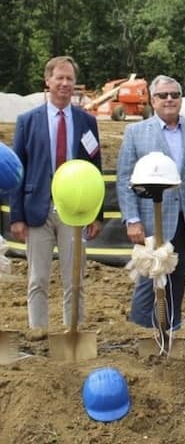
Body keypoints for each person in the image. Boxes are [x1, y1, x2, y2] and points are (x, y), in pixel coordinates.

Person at [116, 74, 185, 330]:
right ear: (153, 100)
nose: (170, 99)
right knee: (149, 279)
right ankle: (141, 333)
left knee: (178, 278)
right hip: (151, 221)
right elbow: (124, 179)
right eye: (163, 95)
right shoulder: (136, 132)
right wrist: (133, 219)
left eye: (175, 94)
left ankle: (171, 331)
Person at [10, 56, 102, 335]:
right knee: (37, 278)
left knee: (74, 279)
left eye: (70, 79)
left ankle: (71, 330)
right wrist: (17, 216)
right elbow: (17, 170)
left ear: (75, 84)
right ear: (47, 81)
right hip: (37, 209)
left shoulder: (87, 121)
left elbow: (95, 169)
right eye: (59, 78)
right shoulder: (27, 121)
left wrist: (95, 214)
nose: (64, 83)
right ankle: (38, 332)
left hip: (75, 211)